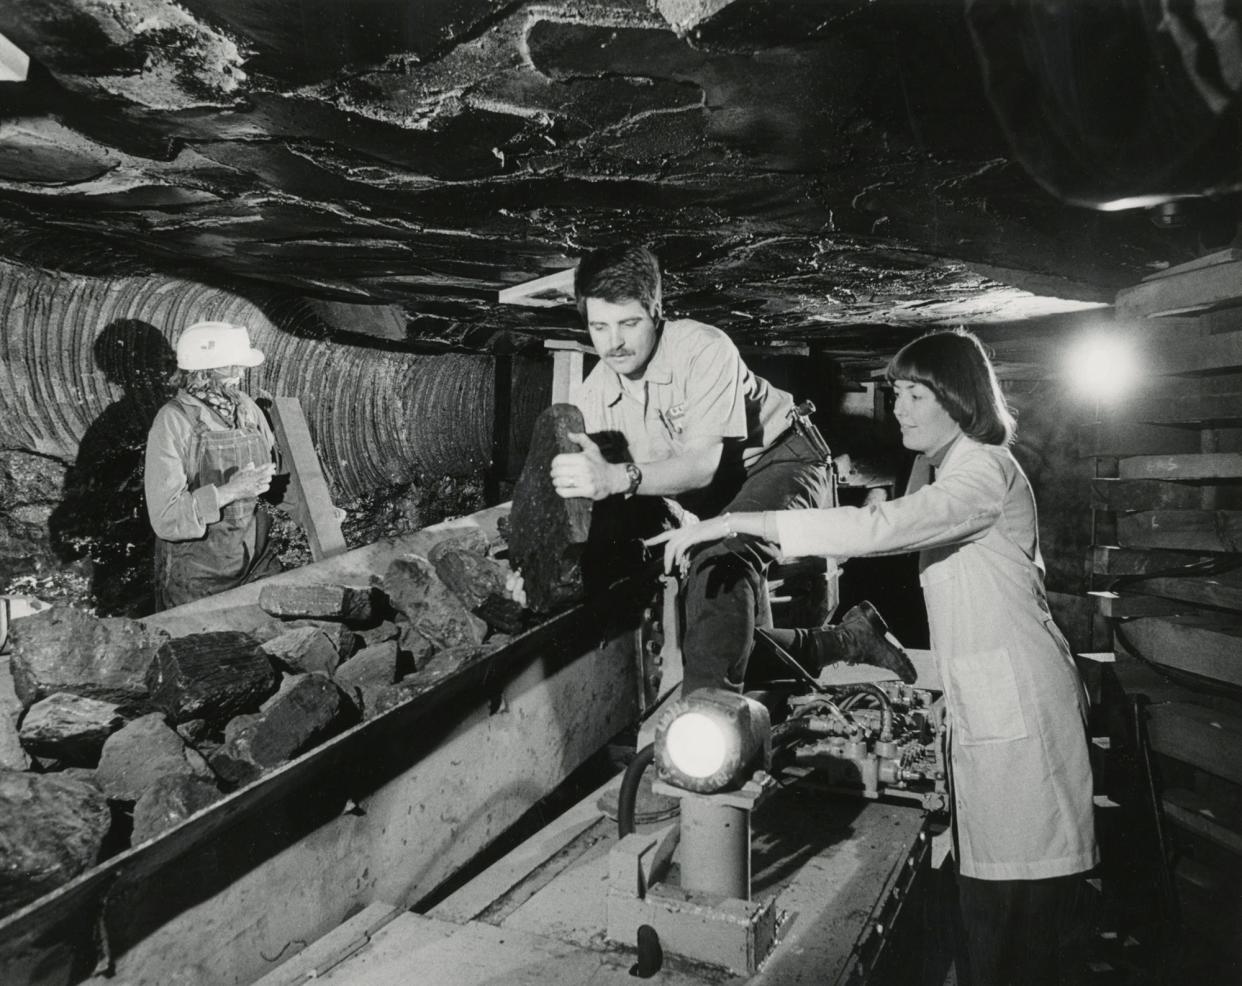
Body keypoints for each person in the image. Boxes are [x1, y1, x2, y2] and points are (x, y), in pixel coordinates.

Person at [651, 328, 1097, 985]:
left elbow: (880, 530)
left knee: (1017, 918)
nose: (900, 408)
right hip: (991, 699)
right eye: (898, 394)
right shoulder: (955, 467)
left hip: (1024, 709)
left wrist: (734, 523)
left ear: (957, 399)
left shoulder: (984, 472)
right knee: (989, 905)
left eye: (916, 394)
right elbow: (899, 517)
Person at [547, 243, 911, 692]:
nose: (614, 342)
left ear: (657, 311)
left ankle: (705, 721)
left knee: (717, 560)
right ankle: (852, 639)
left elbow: (700, 466)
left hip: (784, 459)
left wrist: (621, 478)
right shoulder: (593, 397)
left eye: (629, 323)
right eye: (599, 326)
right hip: (717, 495)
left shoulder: (703, 349)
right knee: (724, 637)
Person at [144, 320, 291, 611]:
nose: (240, 375)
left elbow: (277, 475)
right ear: (202, 372)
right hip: (198, 577)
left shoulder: (246, 408)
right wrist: (231, 491)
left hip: (254, 559)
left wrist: (310, 509)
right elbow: (166, 518)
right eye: (230, 367)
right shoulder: (173, 421)